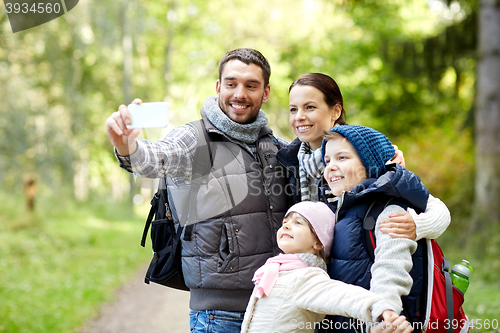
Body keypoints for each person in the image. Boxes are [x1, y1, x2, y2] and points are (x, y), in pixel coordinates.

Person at [105, 48, 290, 333]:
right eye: (231, 84)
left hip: (276, 307)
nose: (239, 93)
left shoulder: (274, 145)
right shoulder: (194, 137)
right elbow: (156, 158)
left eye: (251, 85)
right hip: (221, 313)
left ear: (265, 93)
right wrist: (127, 146)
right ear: (218, 87)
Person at [276, 72, 450, 242]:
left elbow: (434, 208)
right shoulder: (286, 161)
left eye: (310, 107)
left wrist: (418, 225)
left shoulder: (366, 152)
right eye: (293, 109)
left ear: (336, 111)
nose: (299, 117)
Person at [320, 125, 432, 333]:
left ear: (370, 164)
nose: (331, 167)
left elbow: (390, 266)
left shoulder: (389, 211)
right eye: (327, 161)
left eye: (342, 158)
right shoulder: (342, 208)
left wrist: (384, 313)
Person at [241, 201, 414, 333]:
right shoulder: (276, 270)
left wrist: (378, 306)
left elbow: (341, 296)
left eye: (298, 223)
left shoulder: (306, 277)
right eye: (285, 221)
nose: (286, 225)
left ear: (318, 242)